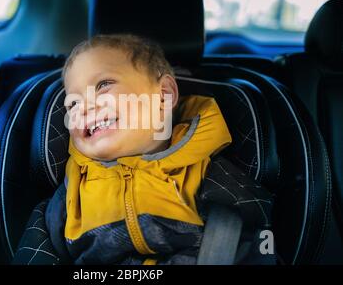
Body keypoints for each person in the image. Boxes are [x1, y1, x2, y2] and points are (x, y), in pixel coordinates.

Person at [15, 34, 274, 265]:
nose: (85, 107)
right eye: (72, 102)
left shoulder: (209, 174)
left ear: (163, 95)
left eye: (104, 84)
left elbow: (257, 236)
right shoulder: (70, 195)